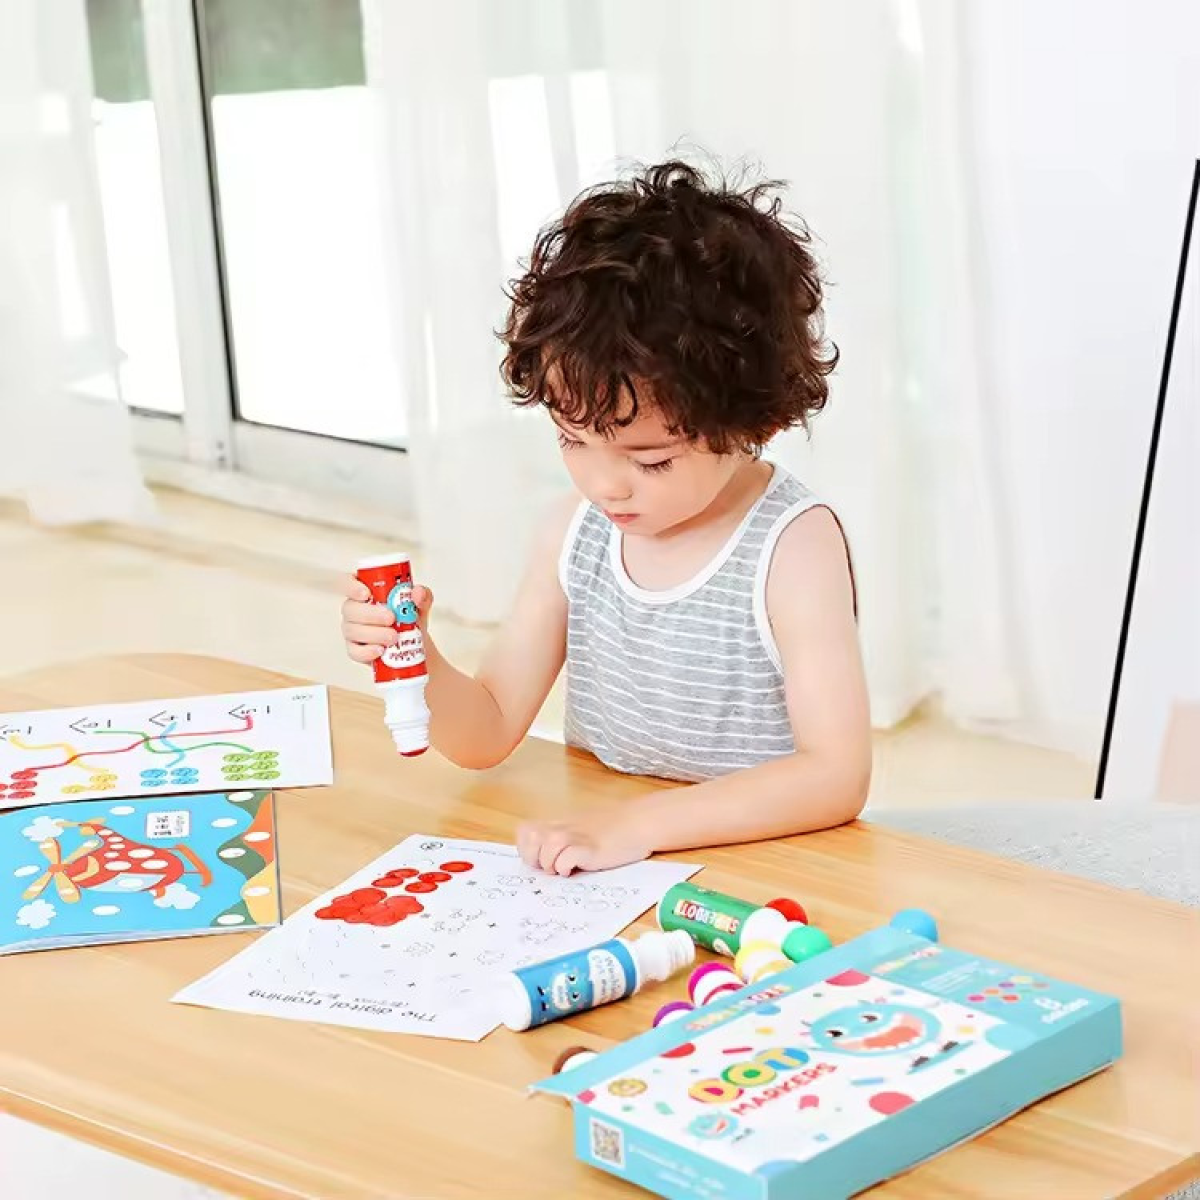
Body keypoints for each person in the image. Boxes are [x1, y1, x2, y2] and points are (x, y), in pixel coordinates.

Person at [341, 160, 870, 874]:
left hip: (763, 861)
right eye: (572, 441)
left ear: (755, 420)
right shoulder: (575, 532)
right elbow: (486, 730)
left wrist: (636, 826)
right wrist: (415, 657)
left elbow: (835, 776)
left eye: (651, 461)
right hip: (604, 855)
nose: (604, 485)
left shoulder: (791, 546)